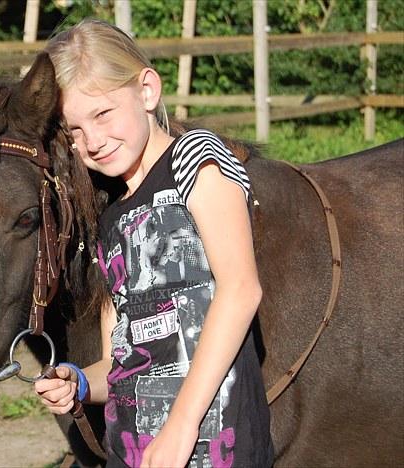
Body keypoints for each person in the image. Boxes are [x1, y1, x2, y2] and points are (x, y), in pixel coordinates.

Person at [35, 19, 273, 468]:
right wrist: (80, 383)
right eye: (75, 131)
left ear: (146, 90)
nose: (94, 141)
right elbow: (119, 361)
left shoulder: (194, 158)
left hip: (213, 446)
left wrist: (180, 427)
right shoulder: (109, 217)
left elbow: (241, 289)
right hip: (132, 452)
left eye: (103, 114)